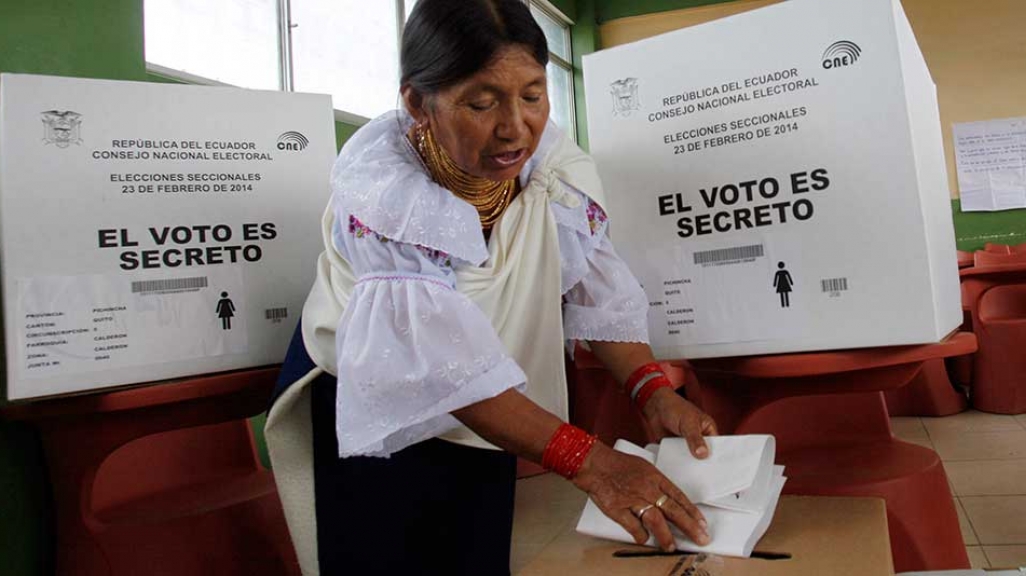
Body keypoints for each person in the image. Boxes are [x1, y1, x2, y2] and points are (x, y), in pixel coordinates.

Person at [265, 1, 719, 574]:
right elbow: (438, 366)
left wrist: (652, 392)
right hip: (382, 396)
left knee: (473, 551)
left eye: (532, 95)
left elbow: (593, 291)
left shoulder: (551, 171)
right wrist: (594, 464)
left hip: (494, 394)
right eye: (481, 103)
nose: (515, 127)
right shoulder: (384, 197)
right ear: (416, 103)